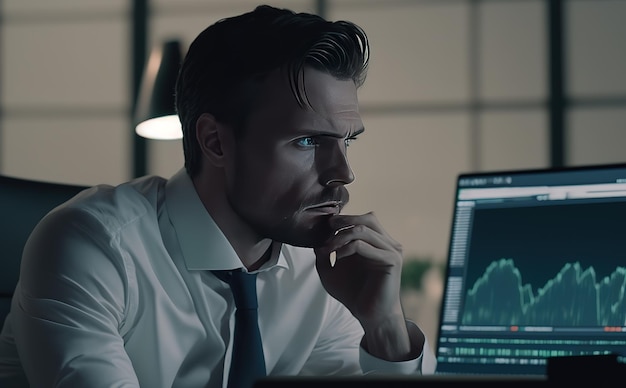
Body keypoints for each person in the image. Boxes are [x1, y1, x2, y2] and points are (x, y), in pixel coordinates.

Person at [0, 4, 436, 387]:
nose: (344, 172)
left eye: (347, 141)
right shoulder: (94, 246)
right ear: (215, 142)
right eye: (307, 142)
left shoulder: (320, 271)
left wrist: (385, 328)